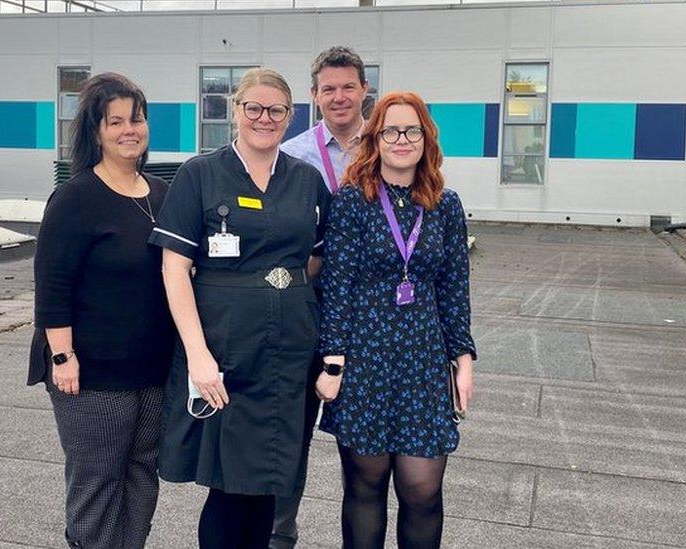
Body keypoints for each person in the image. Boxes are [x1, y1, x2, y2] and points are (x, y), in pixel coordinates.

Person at [149, 68, 329, 549]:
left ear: (291, 117)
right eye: (254, 107)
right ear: (236, 111)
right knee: (228, 485)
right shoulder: (200, 174)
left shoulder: (307, 180)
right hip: (225, 350)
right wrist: (198, 355)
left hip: (289, 353)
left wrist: (283, 292)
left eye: (276, 110)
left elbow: (317, 257)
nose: (264, 118)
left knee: (270, 477)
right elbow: (173, 269)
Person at [317, 91, 476, 549]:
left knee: (423, 491)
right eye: (391, 130)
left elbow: (454, 288)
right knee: (365, 490)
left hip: (423, 364)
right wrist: (332, 364)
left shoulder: (445, 205)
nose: (401, 139)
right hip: (366, 362)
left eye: (412, 130)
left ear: (426, 139)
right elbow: (338, 286)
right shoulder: (352, 201)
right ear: (376, 138)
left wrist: (463, 359)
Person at [30, 72, 174, 549]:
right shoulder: (76, 197)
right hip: (91, 374)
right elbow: (53, 285)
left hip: (151, 371)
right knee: (97, 481)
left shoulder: (161, 193)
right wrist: (61, 355)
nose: (129, 129)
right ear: (96, 131)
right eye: (116, 121)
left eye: (136, 119)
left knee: (141, 473)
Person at [272, 45, 369, 549]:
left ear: (364, 90)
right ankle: (279, 537)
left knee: (364, 451)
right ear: (313, 96)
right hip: (307, 318)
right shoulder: (295, 157)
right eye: (328, 88)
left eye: (348, 86)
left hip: (371, 325)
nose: (339, 97)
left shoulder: (388, 149)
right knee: (291, 440)